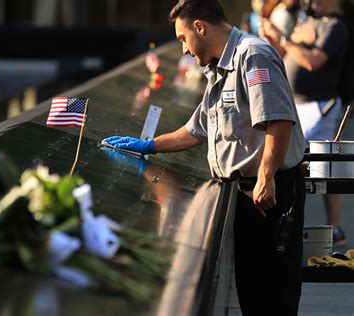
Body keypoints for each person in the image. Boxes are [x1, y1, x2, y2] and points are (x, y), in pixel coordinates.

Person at [103, 1, 306, 314]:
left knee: (272, 295)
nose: (183, 49)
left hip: (268, 194)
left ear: (200, 27)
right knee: (252, 292)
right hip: (246, 194)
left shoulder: (253, 55)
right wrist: (146, 145)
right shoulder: (219, 68)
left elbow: (278, 121)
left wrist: (266, 178)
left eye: (183, 39)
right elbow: (195, 130)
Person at [261, 0, 349, 246]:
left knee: (323, 170)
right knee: (301, 165)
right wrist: (274, 38)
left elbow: (313, 61)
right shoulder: (309, 19)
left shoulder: (336, 26)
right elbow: (289, 53)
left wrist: (285, 39)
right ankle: (288, 222)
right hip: (296, 104)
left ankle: (335, 228)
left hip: (320, 106)